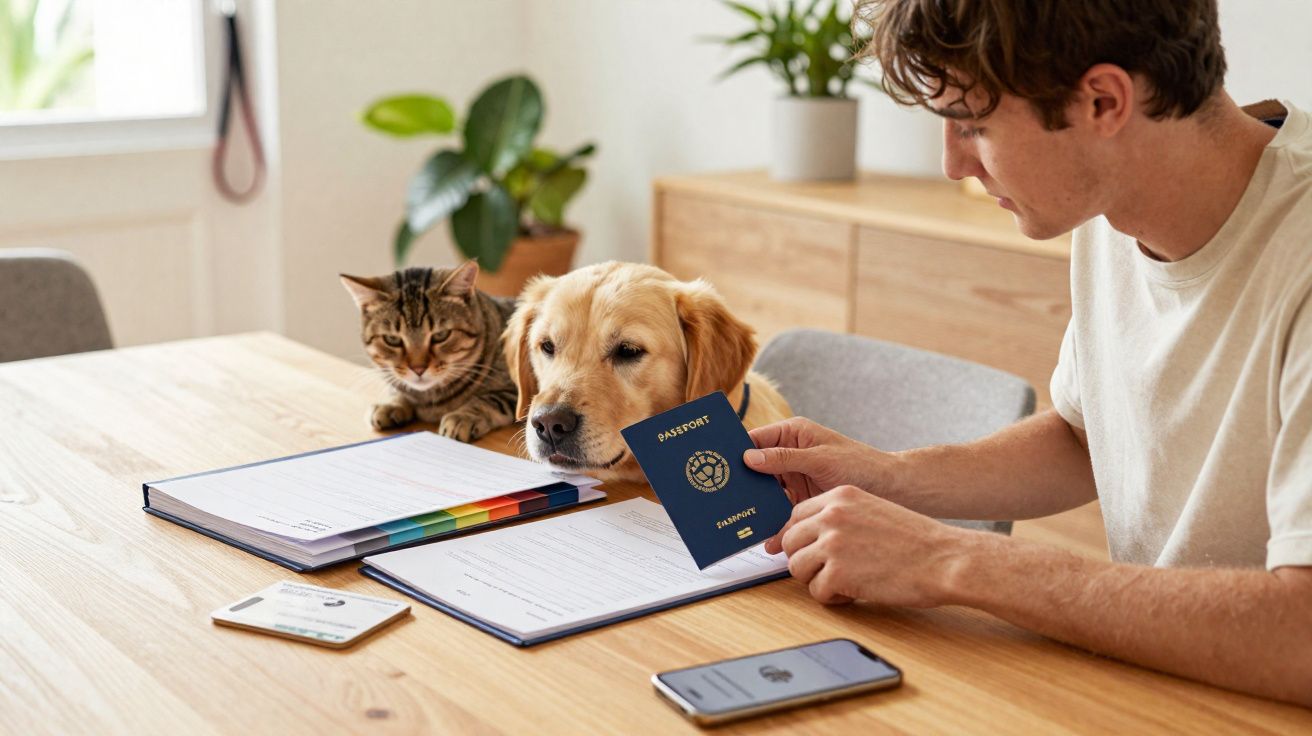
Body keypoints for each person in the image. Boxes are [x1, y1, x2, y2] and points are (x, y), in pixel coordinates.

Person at [743, 0, 1312, 706]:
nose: (952, 164)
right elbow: (1084, 440)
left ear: (1103, 101)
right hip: (1159, 690)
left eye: (972, 124)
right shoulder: (1113, 200)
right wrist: (887, 475)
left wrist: (949, 558)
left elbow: (1302, 634)